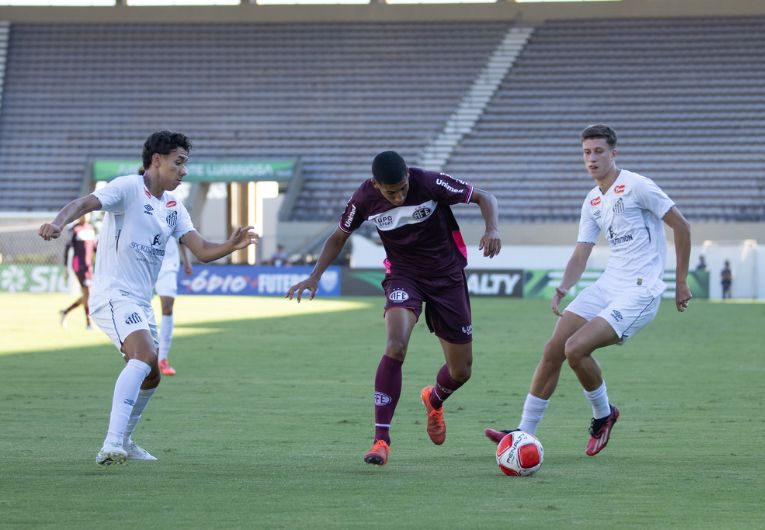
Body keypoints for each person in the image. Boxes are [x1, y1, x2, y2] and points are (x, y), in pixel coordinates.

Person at [38, 130, 259, 466]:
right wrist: (58, 223)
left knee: (152, 373)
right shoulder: (127, 187)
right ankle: (112, 444)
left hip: (140, 301)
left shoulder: (173, 206)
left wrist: (231, 246)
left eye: (185, 163)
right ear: (157, 160)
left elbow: (200, 249)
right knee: (142, 357)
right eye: (179, 162)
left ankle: (126, 438)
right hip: (112, 294)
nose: (184, 170)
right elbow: (84, 203)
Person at [484, 124, 692, 456]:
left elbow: (681, 225)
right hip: (609, 284)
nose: (591, 159)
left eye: (598, 152)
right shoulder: (593, 200)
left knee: (575, 348)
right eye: (586, 152)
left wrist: (680, 282)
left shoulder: (638, 186)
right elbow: (582, 250)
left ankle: (603, 414)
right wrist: (563, 287)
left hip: (641, 290)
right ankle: (524, 432)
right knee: (554, 347)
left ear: (613, 153)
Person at [286, 150, 501, 466]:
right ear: (376, 185)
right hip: (404, 276)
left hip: (447, 277)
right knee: (395, 345)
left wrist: (492, 229)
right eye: (390, 192)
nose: (399, 196)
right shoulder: (364, 198)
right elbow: (338, 236)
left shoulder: (429, 182)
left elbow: (485, 197)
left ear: (408, 178)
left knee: (461, 371)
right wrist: (314, 276)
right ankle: (381, 440)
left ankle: (434, 398)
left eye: (402, 188)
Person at [156, 235, 192, 376]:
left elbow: (182, 236)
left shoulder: (174, 212)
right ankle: (143, 354)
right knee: (140, 307)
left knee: (167, 307)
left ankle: (162, 358)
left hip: (168, 264)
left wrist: (187, 261)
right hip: (144, 261)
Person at [59, 214, 97, 329]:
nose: (85, 217)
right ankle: (88, 323)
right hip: (78, 265)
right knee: (88, 293)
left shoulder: (91, 229)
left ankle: (65, 312)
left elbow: (95, 248)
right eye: (83, 215)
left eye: (87, 215)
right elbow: (67, 249)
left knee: (87, 294)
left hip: (88, 265)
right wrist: (66, 267)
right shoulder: (74, 229)